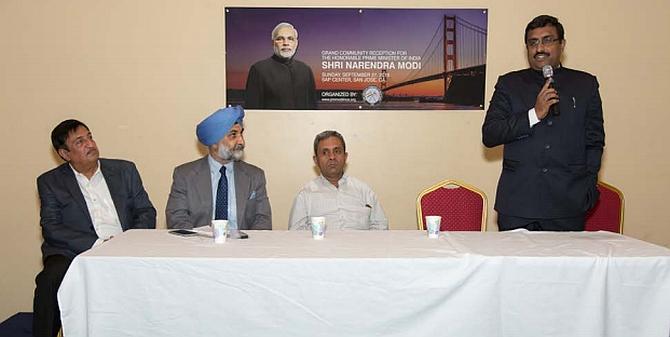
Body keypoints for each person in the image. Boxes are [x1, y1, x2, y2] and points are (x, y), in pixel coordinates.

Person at [482, 15, 605, 231]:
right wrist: (534, 114)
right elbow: (491, 134)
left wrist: (589, 185)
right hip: (518, 204)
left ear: (562, 45)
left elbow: (594, 141)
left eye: (547, 40)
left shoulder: (585, 84)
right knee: (514, 266)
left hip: (568, 203)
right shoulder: (509, 84)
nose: (540, 48)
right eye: (533, 42)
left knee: (565, 266)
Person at [34, 119, 156, 337]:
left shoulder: (124, 170)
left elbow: (146, 211)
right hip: (74, 251)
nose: (90, 144)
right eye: (80, 141)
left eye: (90, 136)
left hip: (126, 246)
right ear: (64, 153)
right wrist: (99, 245)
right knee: (50, 278)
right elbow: (51, 227)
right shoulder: (50, 182)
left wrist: (127, 242)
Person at [166, 105, 272, 230]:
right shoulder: (184, 175)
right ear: (214, 142)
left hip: (243, 246)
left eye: (241, 134)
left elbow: (263, 219)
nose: (241, 142)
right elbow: (177, 218)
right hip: (198, 246)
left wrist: (247, 247)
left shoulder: (255, 176)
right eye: (233, 135)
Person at [288, 130, 388, 230]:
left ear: (345, 157)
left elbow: (381, 226)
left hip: (360, 245)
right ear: (316, 160)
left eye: (337, 151)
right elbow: (296, 234)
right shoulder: (305, 195)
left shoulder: (364, 190)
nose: (332, 157)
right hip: (322, 245)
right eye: (325, 153)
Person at [244, 22, 317, 109]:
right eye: (280, 39)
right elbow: (252, 111)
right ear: (273, 43)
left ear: (296, 43)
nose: (286, 43)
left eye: (290, 38)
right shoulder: (258, 70)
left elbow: (313, 109)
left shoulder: (305, 70)